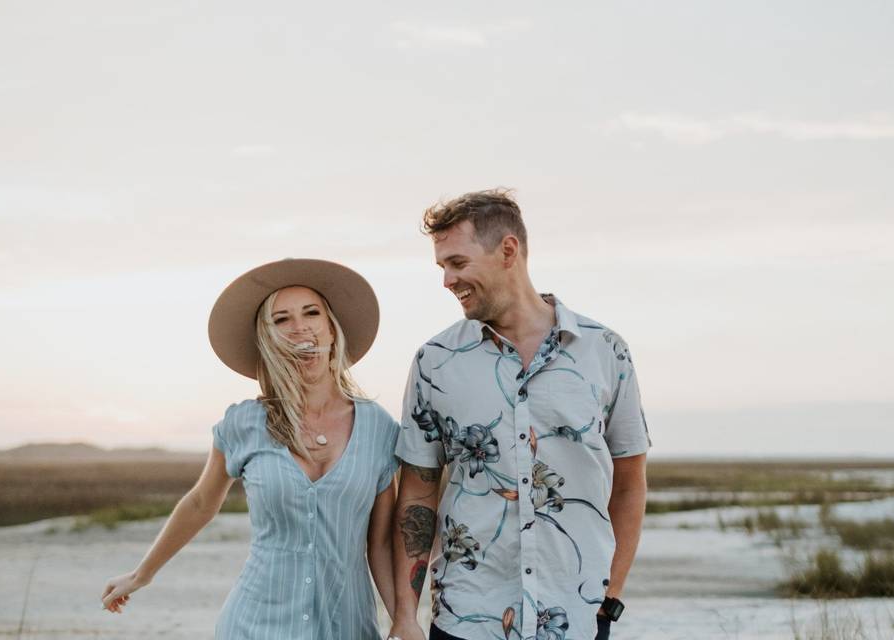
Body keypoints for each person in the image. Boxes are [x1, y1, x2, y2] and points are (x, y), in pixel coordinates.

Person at [387, 191, 651, 640]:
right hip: (465, 621)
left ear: (508, 250)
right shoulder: (434, 362)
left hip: (576, 620)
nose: (447, 280)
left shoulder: (605, 351)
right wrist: (406, 616)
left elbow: (628, 482)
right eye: (442, 267)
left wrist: (609, 600)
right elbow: (416, 495)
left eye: (458, 262)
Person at [100, 258, 399, 639]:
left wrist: (402, 618)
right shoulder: (244, 424)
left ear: (331, 329)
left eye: (311, 313)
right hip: (255, 624)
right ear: (268, 338)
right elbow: (200, 504)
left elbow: (383, 543)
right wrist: (141, 574)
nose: (300, 327)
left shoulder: (379, 428)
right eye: (281, 320)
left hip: (346, 626)